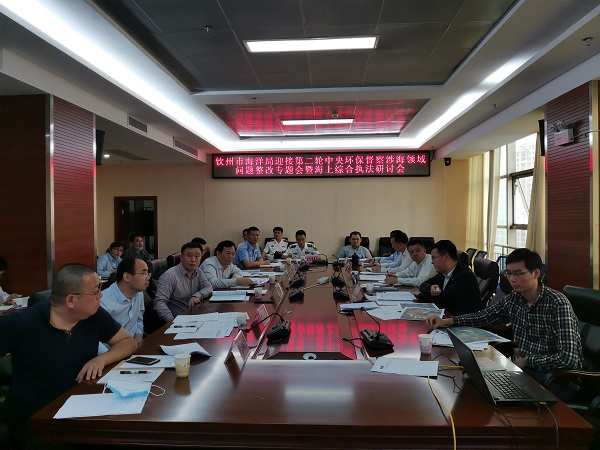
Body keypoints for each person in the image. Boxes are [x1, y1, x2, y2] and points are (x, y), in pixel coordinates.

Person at [426, 248, 582, 399]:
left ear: (536, 273)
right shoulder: (515, 298)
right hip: (527, 369)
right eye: (508, 273)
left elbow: (569, 358)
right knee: (474, 384)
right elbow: (484, 316)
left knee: (487, 395)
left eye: (518, 274)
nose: (512, 279)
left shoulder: (557, 303)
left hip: (556, 379)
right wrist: (448, 321)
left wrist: (527, 360)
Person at [0, 264, 137, 426]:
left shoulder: (93, 315)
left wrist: (101, 359)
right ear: (71, 300)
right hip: (33, 420)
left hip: (79, 408)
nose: (100, 295)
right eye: (95, 292)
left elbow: (127, 342)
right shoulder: (22, 322)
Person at [417, 239, 480, 315]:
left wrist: (419, 294)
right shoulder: (443, 273)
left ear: (445, 257)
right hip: (448, 315)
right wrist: (430, 288)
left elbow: (442, 300)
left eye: (433, 258)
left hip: (461, 320)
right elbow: (423, 284)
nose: (432, 262)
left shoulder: (464, 276)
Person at [154, 242, 213, 322]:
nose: (193, 260)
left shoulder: (198, 271)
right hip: (179, 320)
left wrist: (197, 296)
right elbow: (159, 302)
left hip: (195, 316)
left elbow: (208, 287)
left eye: (197, 256)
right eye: (189, 256)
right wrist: (172, 322)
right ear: (181, 258)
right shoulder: (169, 276)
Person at [100, 257, 149, 348]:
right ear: (127, 277)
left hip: (134, 346)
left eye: (148, 273)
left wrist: (138, 341)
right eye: (144, 273)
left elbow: (138, 320)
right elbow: (98, 342)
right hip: (112, 352)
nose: (148, 277)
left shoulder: (138, 293)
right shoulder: (103, 303)